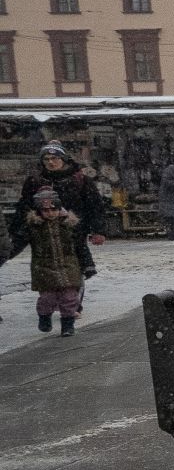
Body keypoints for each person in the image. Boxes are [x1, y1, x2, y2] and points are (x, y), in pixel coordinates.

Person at [9, 143, 107, 254]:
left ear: (63, 159)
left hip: (75, 232)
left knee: (78, 263)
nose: (50, 162)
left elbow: (95, 206)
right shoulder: (34, 181)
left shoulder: (81, 180)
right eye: (46, 159)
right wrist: (15, 230)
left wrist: (98, 230)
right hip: (43, 232)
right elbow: (24, 206)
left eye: (55, 158)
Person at [23, 188, 91, 337]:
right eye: (45, 210)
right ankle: (44, 317)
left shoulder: (69, 225)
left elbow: (81, 247)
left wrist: (88, 265)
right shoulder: (34, 227)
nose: (50, 213)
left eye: (53, 209)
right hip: (44, 268)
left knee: (69, 298)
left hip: (69, 267)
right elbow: (20, 241)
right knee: (47, 298)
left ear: (59, 208)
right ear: (39, 211)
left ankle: (67, 324)